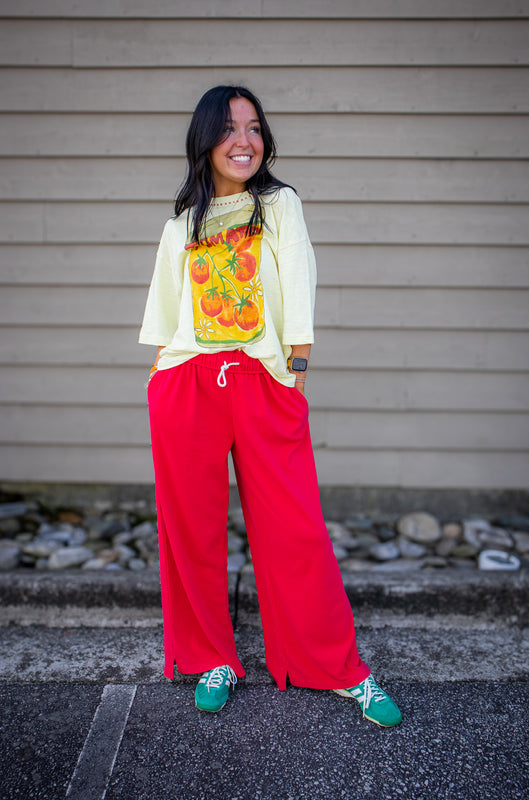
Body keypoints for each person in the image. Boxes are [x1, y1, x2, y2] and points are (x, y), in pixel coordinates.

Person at [139, 85, 402, 727]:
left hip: (263, 379)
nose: (244, 141)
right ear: (205, 140)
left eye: (254, 128)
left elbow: (299, 282)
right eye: (230, 129)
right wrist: (161, 381)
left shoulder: (279, 204)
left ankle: (337, 668)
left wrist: (297, 367)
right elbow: (165, 319)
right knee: (191, 531)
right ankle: (212, 659)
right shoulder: (181, 226)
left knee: (295, 529)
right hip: (187, 384)